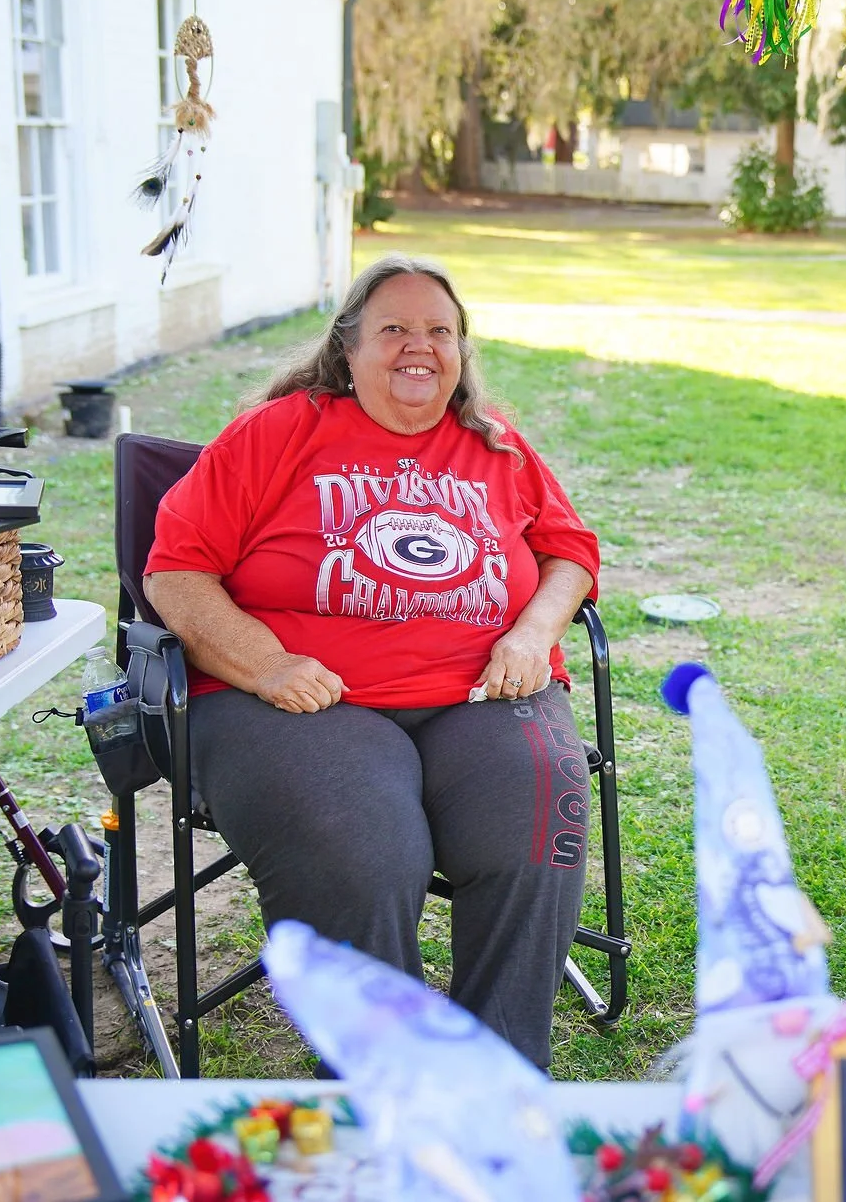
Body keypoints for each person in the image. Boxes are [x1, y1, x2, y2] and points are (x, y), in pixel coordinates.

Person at [143, 254, 600, 1069]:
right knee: (363, 853)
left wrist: (532, 633)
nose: (418, 346)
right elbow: (175, 570)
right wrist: (266, 664)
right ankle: (378, 1086)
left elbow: (568, 551)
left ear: (461, 351)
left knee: (540, 830)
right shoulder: (276, 433)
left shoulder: (496, 443)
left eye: (439, 331)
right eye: (393, 328)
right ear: (348, 349)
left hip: (483, 693)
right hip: (299, 702)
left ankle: (498, 1079)